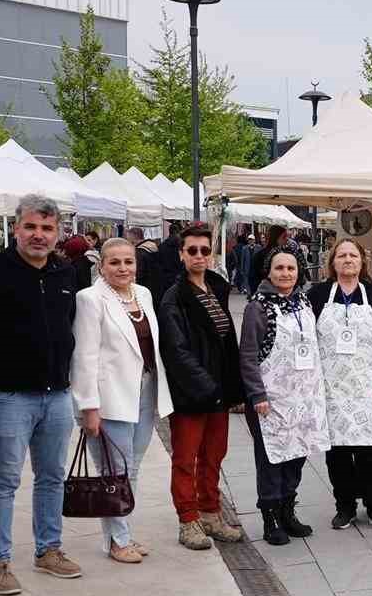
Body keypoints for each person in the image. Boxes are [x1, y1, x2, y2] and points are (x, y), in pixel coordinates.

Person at [0, 194, 81, 593]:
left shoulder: (66, 273)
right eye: (30, 226)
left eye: (47, 228)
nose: (38, 235)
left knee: (51, 478)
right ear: (15, 228)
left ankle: (49, 550)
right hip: (7, 396)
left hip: (57, 396)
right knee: (4, 480)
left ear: (58, 233)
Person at [72, 237, 175, 563]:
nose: (122, 268)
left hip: (145, 391)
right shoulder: (89, 299)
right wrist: (89, 406)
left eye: (128, 261)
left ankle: (122, 533)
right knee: (115, 472)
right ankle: (117, 541)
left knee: (131, 469)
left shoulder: (142, 294)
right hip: (110, 397)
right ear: (100, 265)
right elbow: (84, 356)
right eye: (114, 262)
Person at [159, 222, 246, 549]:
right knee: (185, 459)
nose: (199, 256)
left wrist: (229, 387)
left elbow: (226, 341)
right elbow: (176, 351)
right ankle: (188, 520)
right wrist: (205, 386)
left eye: (204, 250)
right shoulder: (175, 298)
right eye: (192, 250)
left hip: (219, 392)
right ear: (182, 254)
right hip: (192, 394)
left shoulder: (217, 286)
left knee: (213, 456)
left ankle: (210, 512)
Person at [310, 238, 372, 531]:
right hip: (331, 388)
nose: (348, 260)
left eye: (353, 256)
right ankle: (345, 507)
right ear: (333, 262)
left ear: (362, 263)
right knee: (337, 454)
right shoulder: (318, 295)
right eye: (342, 255)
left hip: (368, 387)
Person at [240, 246, 328, 545]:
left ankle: (289, 510)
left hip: (303, 396)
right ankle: (271, 517)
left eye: (291, 268)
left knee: (297, 455)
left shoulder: (303, 301)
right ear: (268, 271)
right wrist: (257, 394)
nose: (286, 274)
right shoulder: (257, 307)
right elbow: (249, 355)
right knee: (271, 459)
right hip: (271, 398)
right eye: (279, 268)